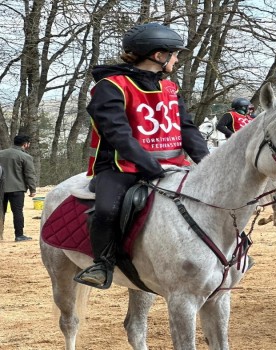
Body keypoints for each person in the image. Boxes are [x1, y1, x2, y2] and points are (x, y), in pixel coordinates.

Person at [75, 23, 210, 289]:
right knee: (106, 209)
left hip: (173, 166)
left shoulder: (170, 87)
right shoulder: (110, 86)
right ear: (158, 55)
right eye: (174, 53)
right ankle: (102, 263)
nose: (177, 59)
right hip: (121, 167)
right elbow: (119, 135)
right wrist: (150, 165)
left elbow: (187, 128)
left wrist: (207, 163)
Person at [0, 135, 37, 242]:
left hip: (1, 189)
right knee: (17, 212)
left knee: (1, 212)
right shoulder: (25, 157)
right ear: (25, 144)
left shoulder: (1, 153)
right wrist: (32, 189)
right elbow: (29, 174)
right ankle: (19, 235)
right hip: (17, 188)